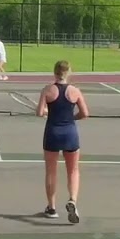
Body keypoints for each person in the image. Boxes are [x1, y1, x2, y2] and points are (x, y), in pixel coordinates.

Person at [35, 60, 88, 223]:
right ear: (68, 72)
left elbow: (39, 112)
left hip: (52, 133)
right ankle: (72, 199)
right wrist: (71, 117)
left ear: (54, 72)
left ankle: (51, 208)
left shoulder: (47, 90)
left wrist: (46, 111)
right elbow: (85, 113)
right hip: (70, 133)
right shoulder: (75, 91)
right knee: (73, 170)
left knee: (51, 171)